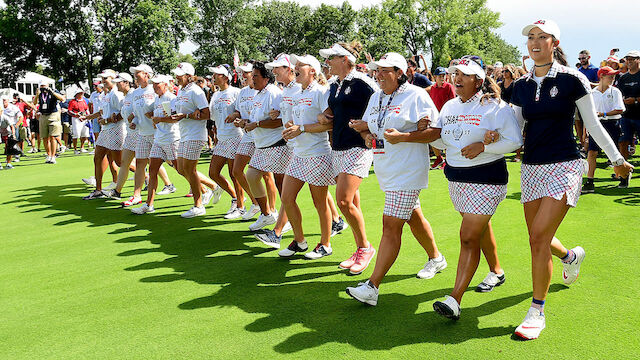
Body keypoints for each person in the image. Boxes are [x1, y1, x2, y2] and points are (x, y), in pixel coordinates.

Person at [499, 19, 633, 340]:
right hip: (531, 168)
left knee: (538, 239)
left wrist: (616, 159)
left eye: (541, 37)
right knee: (538, 238)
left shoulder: (573, 79)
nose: (534, 42)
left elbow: (594, 125)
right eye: (531, 37)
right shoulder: (521, 86)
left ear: (554, 43)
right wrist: (483, 145)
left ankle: (537, 311)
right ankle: (570, 256)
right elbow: (514, 133)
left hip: (565, 166)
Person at [421, 57, 523, 319]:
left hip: (487, 178)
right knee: (477, 229)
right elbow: (445, 143)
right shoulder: (449, 106)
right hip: (456, 178)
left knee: (467, 236)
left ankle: (454, 300)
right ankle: (497, 272)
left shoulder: (496, 106)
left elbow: (515, 141)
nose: (457, 79)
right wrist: (431, 135)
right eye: (455, 74)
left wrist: (485, 146)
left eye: (464, 75)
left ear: (478, 81)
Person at [345, 53, 445, 305]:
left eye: (384, 70)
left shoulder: (417, 95)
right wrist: (365, 133)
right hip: (386, 168)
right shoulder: (375, 96)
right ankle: (436, 258)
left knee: (390, 225)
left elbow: (435, 132)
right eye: (376, 70)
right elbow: (370, 126)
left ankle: (372, 287)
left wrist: (404, 137)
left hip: (408, 169)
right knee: (413, 215)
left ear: (400, 72)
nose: (377, 75)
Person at [263, 54, 335, 258]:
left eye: (300, 65)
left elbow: (329, 123)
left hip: (318, 153)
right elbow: (297, 122)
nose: (295, 68)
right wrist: (290, 127)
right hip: (299, 153)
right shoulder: (296, 93)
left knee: (319, 202)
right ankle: (300, 241)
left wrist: (301, 128)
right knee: (286, 197)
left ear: (312, 70)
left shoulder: (322, 92)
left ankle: (325, 244)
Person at [318, 41, 379, 275]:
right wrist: (326, 114)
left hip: (358, 147)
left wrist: (367, 126)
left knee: (343, 201)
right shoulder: (334, 84)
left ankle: (365, 248)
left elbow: (379, 105)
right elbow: (333, 109)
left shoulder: (363, 82)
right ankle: (359, 248)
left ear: (345, 60)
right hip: (339, 146)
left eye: (331, 58)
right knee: (352, 203)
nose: (327, 62)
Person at [242, 61, 289, 231]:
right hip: (262, 145)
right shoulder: (259, 94)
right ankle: (267, 214)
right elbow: (258, 119)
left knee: (281, 183)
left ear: (265, 78)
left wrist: (257, 124)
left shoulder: (274, 93)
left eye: (255, 76)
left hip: (276, 144)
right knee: (252, 176)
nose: (251, 79)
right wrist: (247, 122)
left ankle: (287, 219)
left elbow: (279, 121)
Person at [171, 62, 220, 218]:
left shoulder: (196, 91)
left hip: (195, 135)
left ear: (188, 76)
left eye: (179, 74)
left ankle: (198, 205)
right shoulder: (181, 91)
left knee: (189, 169)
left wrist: (185, 115)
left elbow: (206, 114)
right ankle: (212, 188)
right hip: (184, 133)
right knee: (181, 168)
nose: (176, 77)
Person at [131, 74, 180, 215]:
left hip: (171, 138)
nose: (154, 86)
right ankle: (149, 205)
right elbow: (152, 113)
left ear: (165, 84)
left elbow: (175, 119)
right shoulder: (157, 99)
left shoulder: (171, 98)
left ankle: (206, 189)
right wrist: (150, 117)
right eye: (153, 84)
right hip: (159, 139)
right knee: (152, 170)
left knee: (181, 170)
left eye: (157, 84)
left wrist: (159, 118)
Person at [81, 69, 125, 199]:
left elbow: (124, 112)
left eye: (106, 78)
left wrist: (108, 120)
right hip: (106, 130)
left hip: (116, 130)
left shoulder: (116, 94)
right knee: (98, 157)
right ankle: (98, 190)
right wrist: (88, 117)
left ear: (113, 78)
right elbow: (101, 112)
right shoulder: (107, 94)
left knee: (120, 162)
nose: (103, 81)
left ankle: (145, 177)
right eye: (102, 78)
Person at [207, 65, 244, 219]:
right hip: (221, 138)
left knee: (234, 173)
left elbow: (244, 111)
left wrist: (236, 113)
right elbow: (214, 118)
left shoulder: (236, 92)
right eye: (214, 74)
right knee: (213, 173)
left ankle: (240, 206)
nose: (214, 77)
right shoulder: (215, 95)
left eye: (218, 74)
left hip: (235, 136)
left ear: (226, 77)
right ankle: (236, 198)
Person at [582, 66, 625, 193]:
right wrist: (585, 131)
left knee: (615, 152)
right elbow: (588, 113)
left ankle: (623, 175)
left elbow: (620, 109)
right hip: (597, 124)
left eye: (614, 76)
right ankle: (589, 181)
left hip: (613, 124)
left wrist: (603, 114)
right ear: (601, 77)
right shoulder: (592, 93)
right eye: (610, 76)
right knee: (592, 153)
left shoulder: (615, 91)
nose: (613, 78)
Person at [617, 50, 640, 186]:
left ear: (638, 60)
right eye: (628, 59)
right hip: (626, 116)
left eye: (632, 59)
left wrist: (636, 100)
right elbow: (619, 95)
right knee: (623, 143)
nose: (629, 61)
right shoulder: (623, 78)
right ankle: (624, 174)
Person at [427, 66, 455, 169]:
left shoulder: (449, 87)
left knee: (447, 139)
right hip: (436, 118)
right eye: (440, 76)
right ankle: (439, 158)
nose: (442, 78)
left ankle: (448, 161)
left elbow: (453, 102)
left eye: (443, 75)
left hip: (447, 117)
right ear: (435, 77)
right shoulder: (433, 88)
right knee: (431, 137)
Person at [33, 81, 65, 164]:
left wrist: (52, 91)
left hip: (53, 115)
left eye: (44, 86)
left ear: (48, 85)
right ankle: (49, 154)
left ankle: (53, 156)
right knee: (44, 137)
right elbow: (34, 103)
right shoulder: (40, 94)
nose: (43, 88)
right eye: (41, 86)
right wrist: (37, 94)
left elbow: (62, 99)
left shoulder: (53, 92)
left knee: (53, 137)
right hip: (43, 115)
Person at [1, 96, 23, 169]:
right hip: (1, 128)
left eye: (5, 100)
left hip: (11, 127)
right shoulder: (2, 107)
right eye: (3, 100)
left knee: (11, 144)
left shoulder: (13, 108)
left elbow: (21, 117)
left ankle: (11, 160)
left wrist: (16, 126)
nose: (4, 101)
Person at [68, 88, 90, 154]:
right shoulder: (72, 101)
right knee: (76, 134)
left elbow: (86, 109)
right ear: (77, 94)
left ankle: (82, 148)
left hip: (84, 118)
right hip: (76, 119)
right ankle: (75, 149)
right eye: (80, 93)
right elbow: (69, 111)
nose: (82, 94)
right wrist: (75, 114)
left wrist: (88, 116)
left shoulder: (84, 101)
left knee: (84, 133)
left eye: (82, 93)